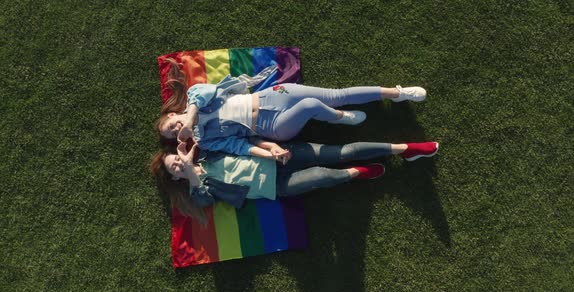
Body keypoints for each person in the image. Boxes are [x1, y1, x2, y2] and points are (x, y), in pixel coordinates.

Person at [156, 58, 428, 158]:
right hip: (272, 126)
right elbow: (237, 147)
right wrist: (268, 151)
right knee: (311, 105)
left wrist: (191, 119)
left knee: (337, 94)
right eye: (173, 135)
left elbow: (204, 93)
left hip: (270, 98)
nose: (176, 130)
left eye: (171, 126)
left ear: (172, 115)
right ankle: (339, 118)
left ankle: (396, 93)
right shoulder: (207, 141)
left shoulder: (194, 98)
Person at [150, 138, 439, 223]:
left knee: (340, 151)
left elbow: (239, 140)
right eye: (173, 169)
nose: (177, 164)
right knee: (326, 176)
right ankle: (357, 174)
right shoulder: (198, 191)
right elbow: (206, 202)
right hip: (277, 186)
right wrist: (190, 174)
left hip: (282, 157)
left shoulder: (208, 151)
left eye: (173, 159)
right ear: (175, 178)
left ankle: (406, 150)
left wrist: (271, 148)